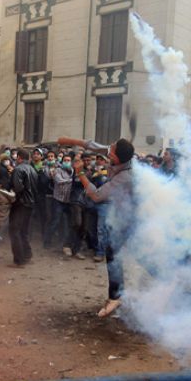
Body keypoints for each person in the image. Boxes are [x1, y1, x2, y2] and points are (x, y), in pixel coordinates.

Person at [60, 136, 135, 318]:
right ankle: (117, 295)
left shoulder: (125, 176)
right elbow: (94, 145)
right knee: (113, 252)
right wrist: (73, 141)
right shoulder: (115, 155)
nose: (107, 149)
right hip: (122, 213)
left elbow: (97, 196)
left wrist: (80, 173)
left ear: (116, 158)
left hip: (133, 217)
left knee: (118, 253)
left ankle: (117, 297)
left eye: (112, 149)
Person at [8, 149, 37, 268]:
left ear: (19, 157)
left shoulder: (19, 169)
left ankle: (19, 260)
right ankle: (27, 254)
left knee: (14, 231)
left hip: (21, 204)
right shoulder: (32, 169)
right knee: (23, 231)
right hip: (30, 204)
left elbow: (18, 188)